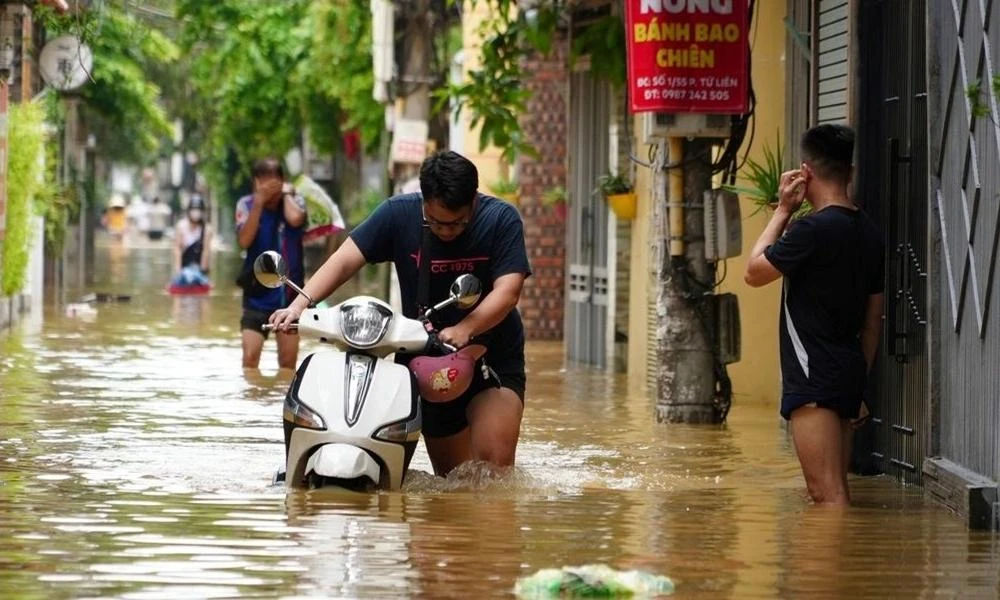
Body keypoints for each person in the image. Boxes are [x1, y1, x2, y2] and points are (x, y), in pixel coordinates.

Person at [269, 150, 531, 477]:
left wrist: (466, 328)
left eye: (456, 222)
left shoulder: (500, 220)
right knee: (453, 481)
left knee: (493, 465)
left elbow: (508, 291)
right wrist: (298, 305)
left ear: (474, 201)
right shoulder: (398, 214)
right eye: (435, 221)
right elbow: (344, 260)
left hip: (490, 352)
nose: (445, 231)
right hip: (426, 358)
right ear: (423, 201)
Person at [744, 124, 885, 506]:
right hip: (847, 373)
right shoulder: (869, 232)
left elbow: (753, 272)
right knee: (836, 490)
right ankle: (838, 564)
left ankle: (824, 567)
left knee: (826, 495)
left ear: (805, 172)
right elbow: (874, 319)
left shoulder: (810, 230)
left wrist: (784, 210)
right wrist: (859, 380)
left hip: (813, 378)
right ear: (849, 172)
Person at [236, 158, 307, 371]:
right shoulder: (246, 204)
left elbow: (296, 219)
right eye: (264, 181)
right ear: (256, 182)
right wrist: (259, 202)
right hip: (256, 295)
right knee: (250, 360)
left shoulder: (295, 201)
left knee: (287, 365)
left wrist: (285, 195)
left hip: (289, 296)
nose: (269, 187)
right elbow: (244, 240)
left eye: (274, 181)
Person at [171, 194, 213, 288]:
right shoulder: (181, 226)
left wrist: (202, 273)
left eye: (198, 209)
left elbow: (206, 252)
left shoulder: (206, 229)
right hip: (184, 269)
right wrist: (178, 272)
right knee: (184, 278)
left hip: (199, 269)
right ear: (189, 210)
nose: (196, 212)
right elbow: (177, 250)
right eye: (193, 209)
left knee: (199, 279)